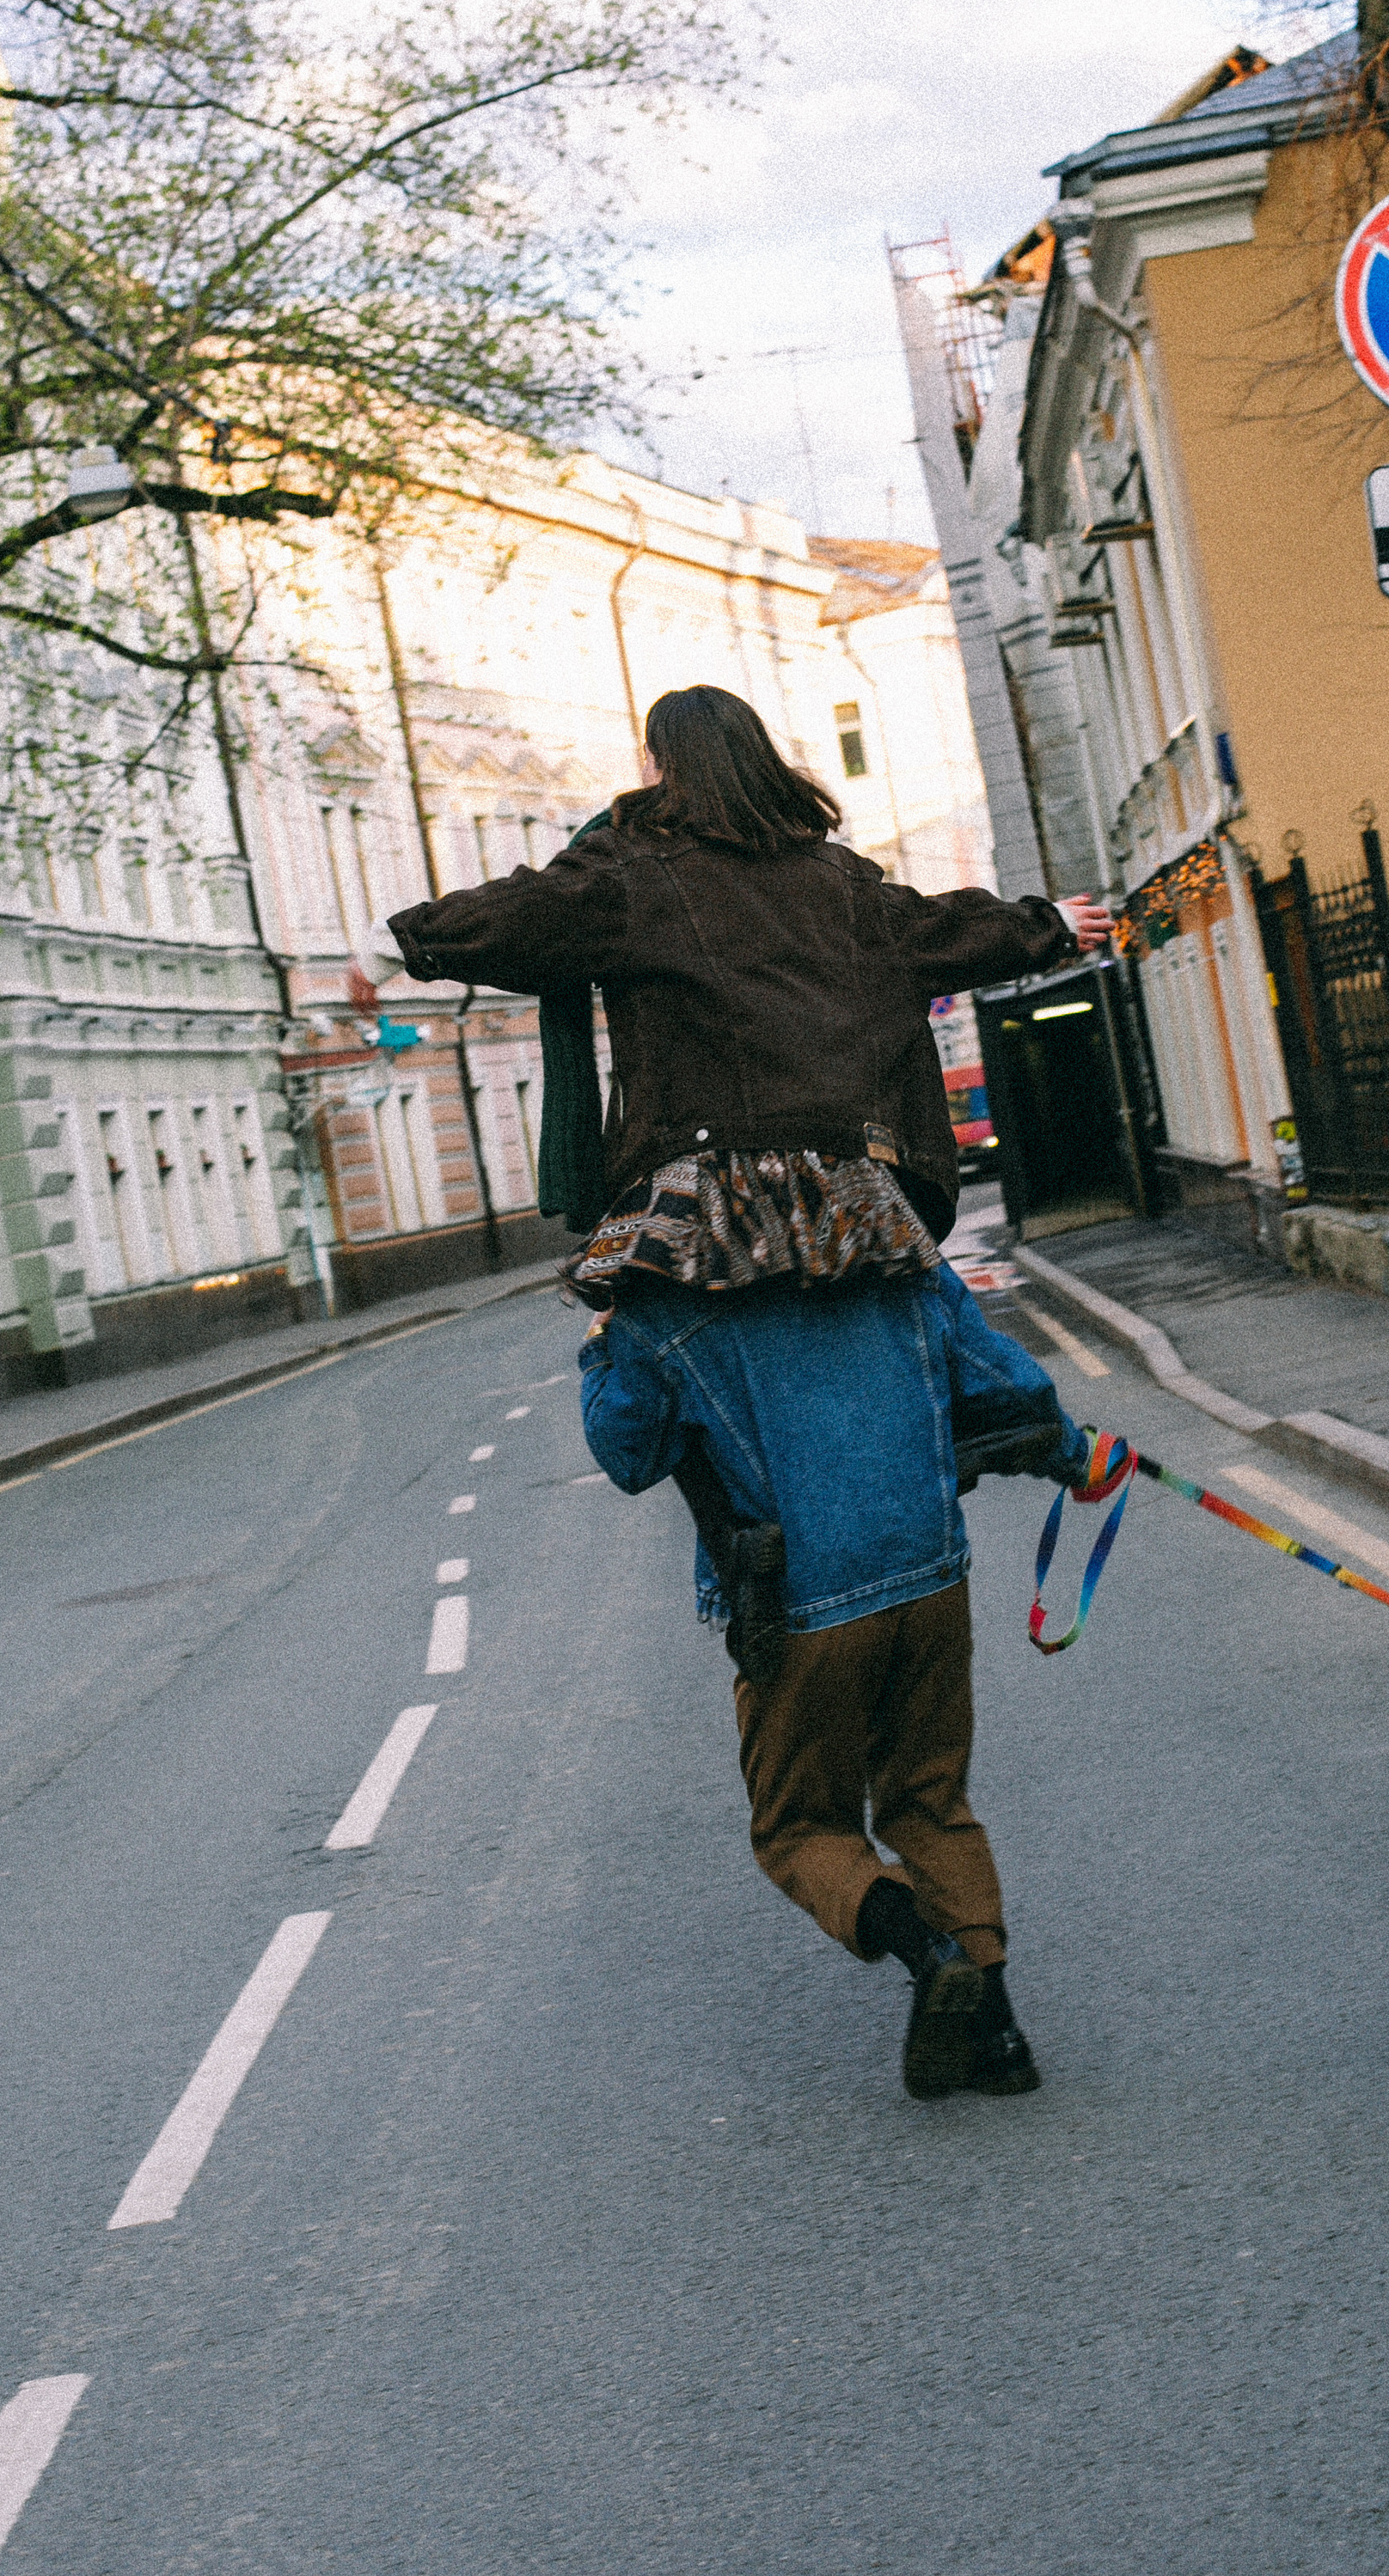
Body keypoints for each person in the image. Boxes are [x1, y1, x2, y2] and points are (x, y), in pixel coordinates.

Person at [384, 682, 1117, 2096]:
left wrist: (414, 944)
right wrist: (1080, 1456)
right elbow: (1005, 1391)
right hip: (928, 1568)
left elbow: (625, 1450)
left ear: (663, 769)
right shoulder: (893, 1236)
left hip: (794, 1599)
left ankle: (919, 1947)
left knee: (800, 1828)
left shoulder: (661, 1272)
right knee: (932, 1793)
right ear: (773, 765)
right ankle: (1001, 2033)